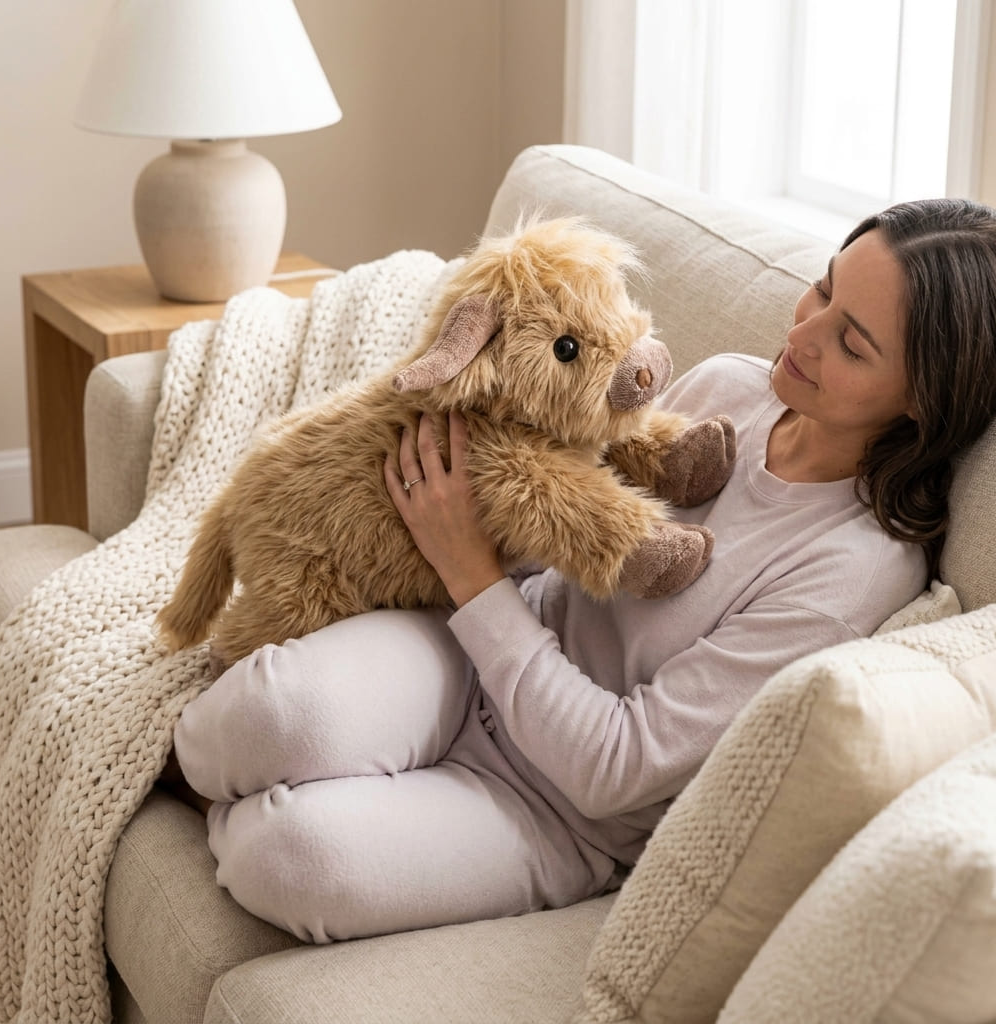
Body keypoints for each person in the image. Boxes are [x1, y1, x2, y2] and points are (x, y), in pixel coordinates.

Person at [172, 198, 996, 944]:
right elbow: (562, 501)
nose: (804, 333)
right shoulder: (734, 388)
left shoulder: (853, 571)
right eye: (821, 290)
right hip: (468, 663)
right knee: (270, 712)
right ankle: (230, 772)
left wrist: (470, 573)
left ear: (923, 395)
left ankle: (253, 804)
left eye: (851, 341)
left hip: (556, 810)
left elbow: (619, 768)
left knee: (290, 854)